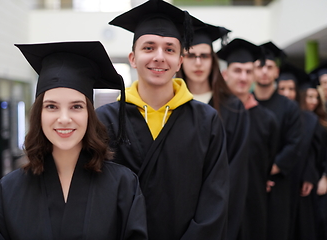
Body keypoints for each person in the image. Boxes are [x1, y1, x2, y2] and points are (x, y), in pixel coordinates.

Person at [0, 41, 148, 240]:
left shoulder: (123, 185)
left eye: (76, 107)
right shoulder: (9, 190)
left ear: (90, 114)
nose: (64, 118)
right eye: (52, 106)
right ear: (39, 114)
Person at [96, 1, 229, 239]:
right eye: (149, 48)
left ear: (180, 61)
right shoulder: (105, 120)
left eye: (169, 49)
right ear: (132, 58)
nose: (159, 57)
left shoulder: (206, 120)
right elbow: (96, 198)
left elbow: (214, 199)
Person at [176, 27, 250, 240]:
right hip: (178, 205)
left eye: (205, 56)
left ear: (213, 60)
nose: (198, 63)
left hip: (219, 205)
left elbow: (236, 167)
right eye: (191, 55)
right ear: (181, 59)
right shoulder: (171, 106)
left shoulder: (233, 108)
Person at [218, 38, 279, 240]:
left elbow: (269, 159)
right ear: (225, 74)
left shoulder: (267, 119)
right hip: (220, 202)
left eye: (248, 71)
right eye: (237, 71)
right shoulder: (212, 113)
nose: (243, 77)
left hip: (255, 201)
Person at [253, 41, 302, 240]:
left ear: (277, 72)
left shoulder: (288, 107)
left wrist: (267, 171)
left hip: (278, 184)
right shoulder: (241, 104)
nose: (264, 71)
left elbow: (294, 144)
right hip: (248, 184)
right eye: (259, 66)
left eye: (269, 67)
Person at [277, 63, 320, 240]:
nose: (287, 93)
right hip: (278, 180)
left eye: (291, 88)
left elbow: (315, 152)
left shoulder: (309, 119)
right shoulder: (269, 115)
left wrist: (310, 175)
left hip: (301, 182)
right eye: (282, 88)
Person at [299, 74, 327, 240]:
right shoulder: (296, 119)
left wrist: (324, 176)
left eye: (316, 97)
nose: (314, 101)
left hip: (318, 176)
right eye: (309, 96)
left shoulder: (320, 121)